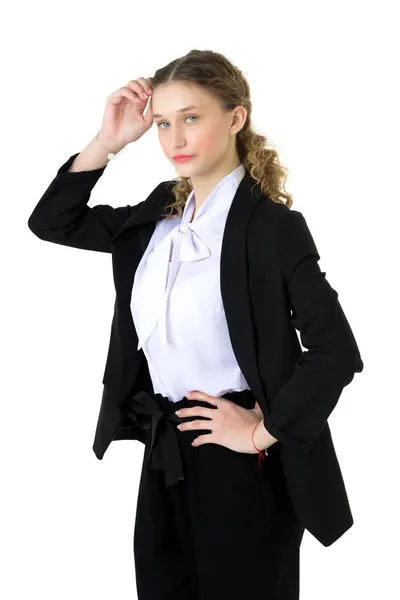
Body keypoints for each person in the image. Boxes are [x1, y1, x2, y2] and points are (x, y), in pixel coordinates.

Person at [27, 49, 364, 600]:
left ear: (236, 117)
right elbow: (52, 222)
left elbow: (336, 351)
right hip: (165, 449)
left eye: (191, 117)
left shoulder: (273, 228)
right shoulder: (157, 218)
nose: (174, 137)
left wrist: (262, 431)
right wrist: (107, 143)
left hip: (242, 463)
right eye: (163, 122)